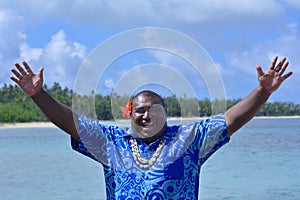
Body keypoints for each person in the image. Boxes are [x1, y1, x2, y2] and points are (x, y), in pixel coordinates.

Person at [10, 56, 292, 199]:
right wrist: (38, 96)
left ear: (166, 115)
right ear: (129, 115)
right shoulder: (112, 142)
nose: (146, 115)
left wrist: (263, 93)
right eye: (139, 111)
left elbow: (230, 120)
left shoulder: (188, 139)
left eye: (153, 109)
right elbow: (72, 123)